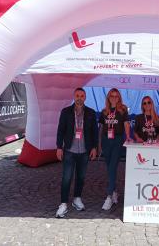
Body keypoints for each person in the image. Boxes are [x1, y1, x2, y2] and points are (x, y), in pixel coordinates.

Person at [55, 88, 98, 218]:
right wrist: (59, 147)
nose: (79, 98)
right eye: (77, 95)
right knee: (67, 178)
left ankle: (77, 198)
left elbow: (95, 132)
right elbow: (60, 130)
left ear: (85, 98)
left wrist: (94, 147)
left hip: (84, 151)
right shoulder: (66, 112)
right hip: (69, 150)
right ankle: (63, 204)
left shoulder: (90, 113)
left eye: (82, 96)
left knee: (81, 177)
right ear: (74, 97)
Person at [99, 88, 132, 210]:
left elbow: (126, 124)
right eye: (111, 96)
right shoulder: (104, 112)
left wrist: (128, 136)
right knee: (109, 168)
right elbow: (101, 128)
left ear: (119, 97)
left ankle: (108, 196)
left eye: (116, 96)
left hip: (117, 141)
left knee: (113, 167)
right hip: (106, 141)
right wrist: (99, 145)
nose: (114, 98)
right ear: (108, 98)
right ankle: (114, 192)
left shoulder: (123, 110)